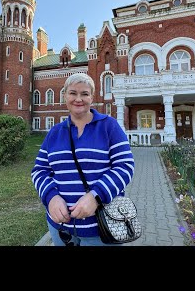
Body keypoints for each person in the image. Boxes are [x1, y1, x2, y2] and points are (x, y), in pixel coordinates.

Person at [31, 73, 135, 246]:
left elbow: (125, 167)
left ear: (92, 97)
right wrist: (51, 197)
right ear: (65, 96)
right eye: (72, 93)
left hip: (102, 228)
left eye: (84, 94)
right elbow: (39, 170)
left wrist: (96, 196)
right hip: (60, 229)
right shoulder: (55, 133)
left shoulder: (109, 126)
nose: (78, 99)